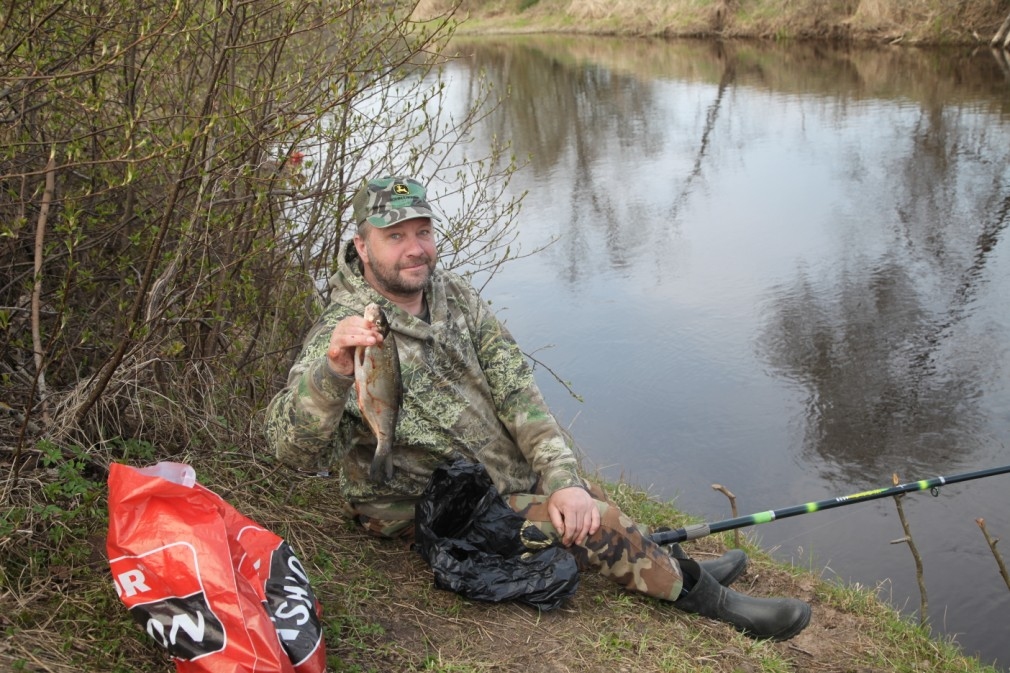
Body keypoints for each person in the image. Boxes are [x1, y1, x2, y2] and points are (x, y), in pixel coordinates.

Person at [265, 175, 811, 641]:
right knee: (593, 524)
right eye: (395, 237)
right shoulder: (343, 332)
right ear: (362, 247)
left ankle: (663, 562)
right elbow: (290, 450)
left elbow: (516, 393)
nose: (416, 248)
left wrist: (561, 476)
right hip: (421, 505)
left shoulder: (453, 294)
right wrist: (334, 370)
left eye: (423, 232)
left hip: (492, 477)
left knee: (580, 495)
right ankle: (706, 598)